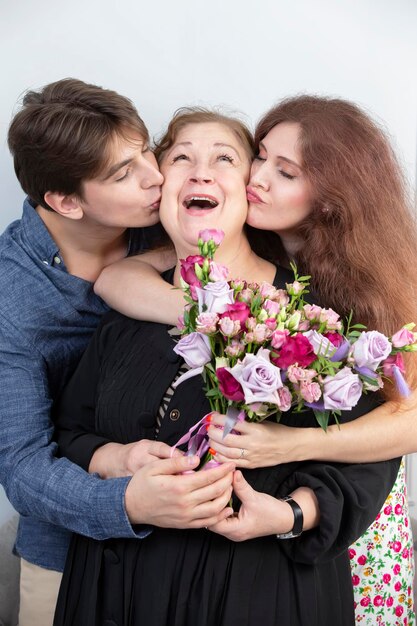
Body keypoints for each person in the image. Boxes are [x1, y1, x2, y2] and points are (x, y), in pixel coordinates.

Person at [53, 108, 399, 626]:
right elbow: (69, 432)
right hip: (119, 591)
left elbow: (370, 460)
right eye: (181, 158)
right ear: (159, 184)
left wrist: (287, 514)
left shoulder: (316, 319)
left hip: (262, 592)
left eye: (225, 158)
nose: (200, 171)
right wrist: (118, 458)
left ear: (246, 192)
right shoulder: (124, 306)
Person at [0, 80, 234, 626]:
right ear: (64, 201)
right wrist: (127, 502)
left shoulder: (166, 218)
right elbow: (22, 465)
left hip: (197, 562)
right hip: (69, 552)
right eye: (124, 173)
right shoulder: (11, 298)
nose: (156, 177)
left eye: (146, 152)